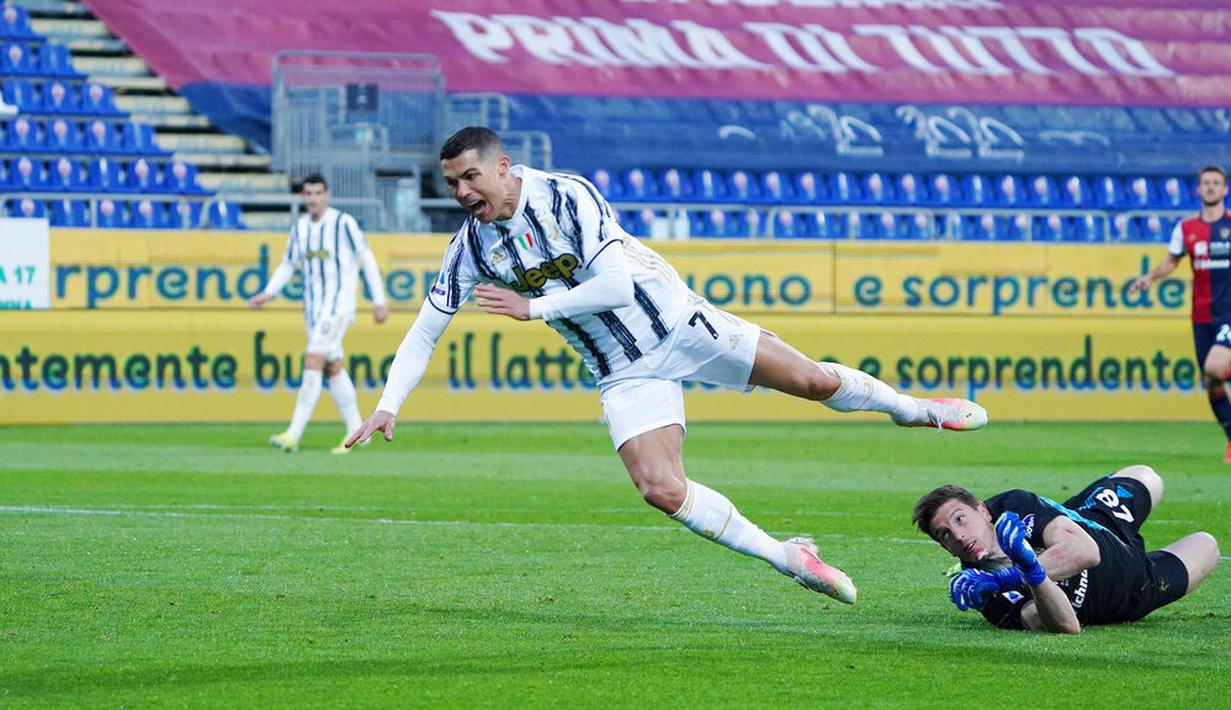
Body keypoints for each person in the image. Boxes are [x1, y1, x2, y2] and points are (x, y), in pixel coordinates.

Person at [346, 126, 989, 604]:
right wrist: (388, 404)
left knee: (814, 381)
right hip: (624, 369)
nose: (461, 192)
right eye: (452, 184)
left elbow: (617, 287)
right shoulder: (470, 247)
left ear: (503, 168)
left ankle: (914, 410)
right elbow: (426, 328)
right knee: (660, 489)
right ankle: (788, 556)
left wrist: (532, 308)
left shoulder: (567, 196)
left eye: (469, 178)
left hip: (679, 322)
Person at [913, 465, 1219, 633]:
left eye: (960, 519)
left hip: (1097, 521)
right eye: (945, 535)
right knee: (1207, 544)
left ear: (983, 510)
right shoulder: (981, 592)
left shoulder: (1011, 506)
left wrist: (1007, 577)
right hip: (1134, 584)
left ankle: (1071, 513)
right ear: (945, 549)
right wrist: (1031, 575)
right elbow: (1066, 625)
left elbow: (1086, 551)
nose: (959, 534)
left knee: (1146, 475)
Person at [249, 174, 389, 453]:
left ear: (327, 195)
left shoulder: (343, 223)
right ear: (303, 197)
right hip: (313, 309)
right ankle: (357, 432)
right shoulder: (300, 228)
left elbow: (367, 259)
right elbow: (288, 264)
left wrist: (379, 299)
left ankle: (293, 433)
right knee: (331, 366)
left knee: (313, 357)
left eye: (317, 193)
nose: (312, 198)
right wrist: (268, 292)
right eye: (308, 193)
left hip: (338, 305)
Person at [1131, 165, 1231, 461]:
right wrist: (1150, 277)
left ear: (1225, 190)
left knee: (1215, 368)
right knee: (1211, 381)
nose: (1211, 187)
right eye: (1206, 183)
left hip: (1229, 313)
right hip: (1201, 316)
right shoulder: (1186, 229)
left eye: (1216, 183)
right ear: (1199, 190)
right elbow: (1171, 262)